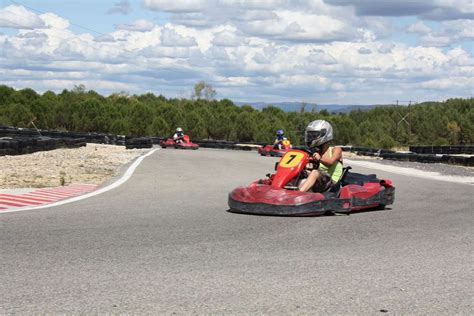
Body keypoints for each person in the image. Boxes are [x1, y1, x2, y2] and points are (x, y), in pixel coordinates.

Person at [299, 120, 343, 193]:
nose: (311, 137)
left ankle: (297, 194)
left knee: (315, 173)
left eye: (314, 135)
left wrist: (319, 158)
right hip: (320, 182)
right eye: (310, 135)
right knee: (300, 172)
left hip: (333, 184)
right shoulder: (315, 152)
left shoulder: (336, 149)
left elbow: (330, 162)